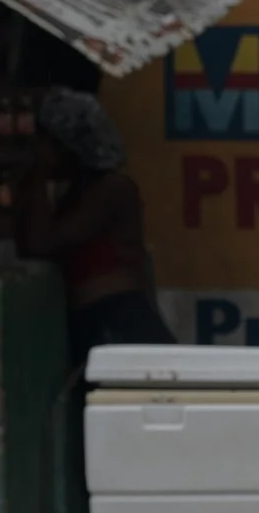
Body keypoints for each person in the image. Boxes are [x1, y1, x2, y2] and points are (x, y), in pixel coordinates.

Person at [14, 87, 175, 362]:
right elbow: (28, 244)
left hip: (117, 322)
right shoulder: (76, 192)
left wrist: (38, 175)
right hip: (95, 321)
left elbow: (43, 243)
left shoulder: (112, 189)